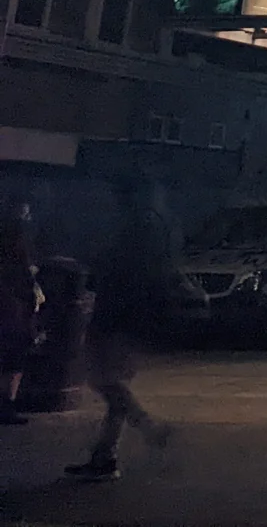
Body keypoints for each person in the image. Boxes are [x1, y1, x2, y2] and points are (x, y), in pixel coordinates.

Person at [68, 181, 176, 481]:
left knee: (104, 380)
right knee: (111, 383)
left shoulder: (133, 231)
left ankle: (146, 426)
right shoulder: (151, 227)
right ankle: (105, 456)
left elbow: (118, 277)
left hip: (116, 319)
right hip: (130, 320)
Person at [0, 204, 38, 424]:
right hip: (14, 309)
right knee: (14, 360)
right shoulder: (19, 244)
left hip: (9, 307)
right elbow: (24, 278)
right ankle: (7, 405)